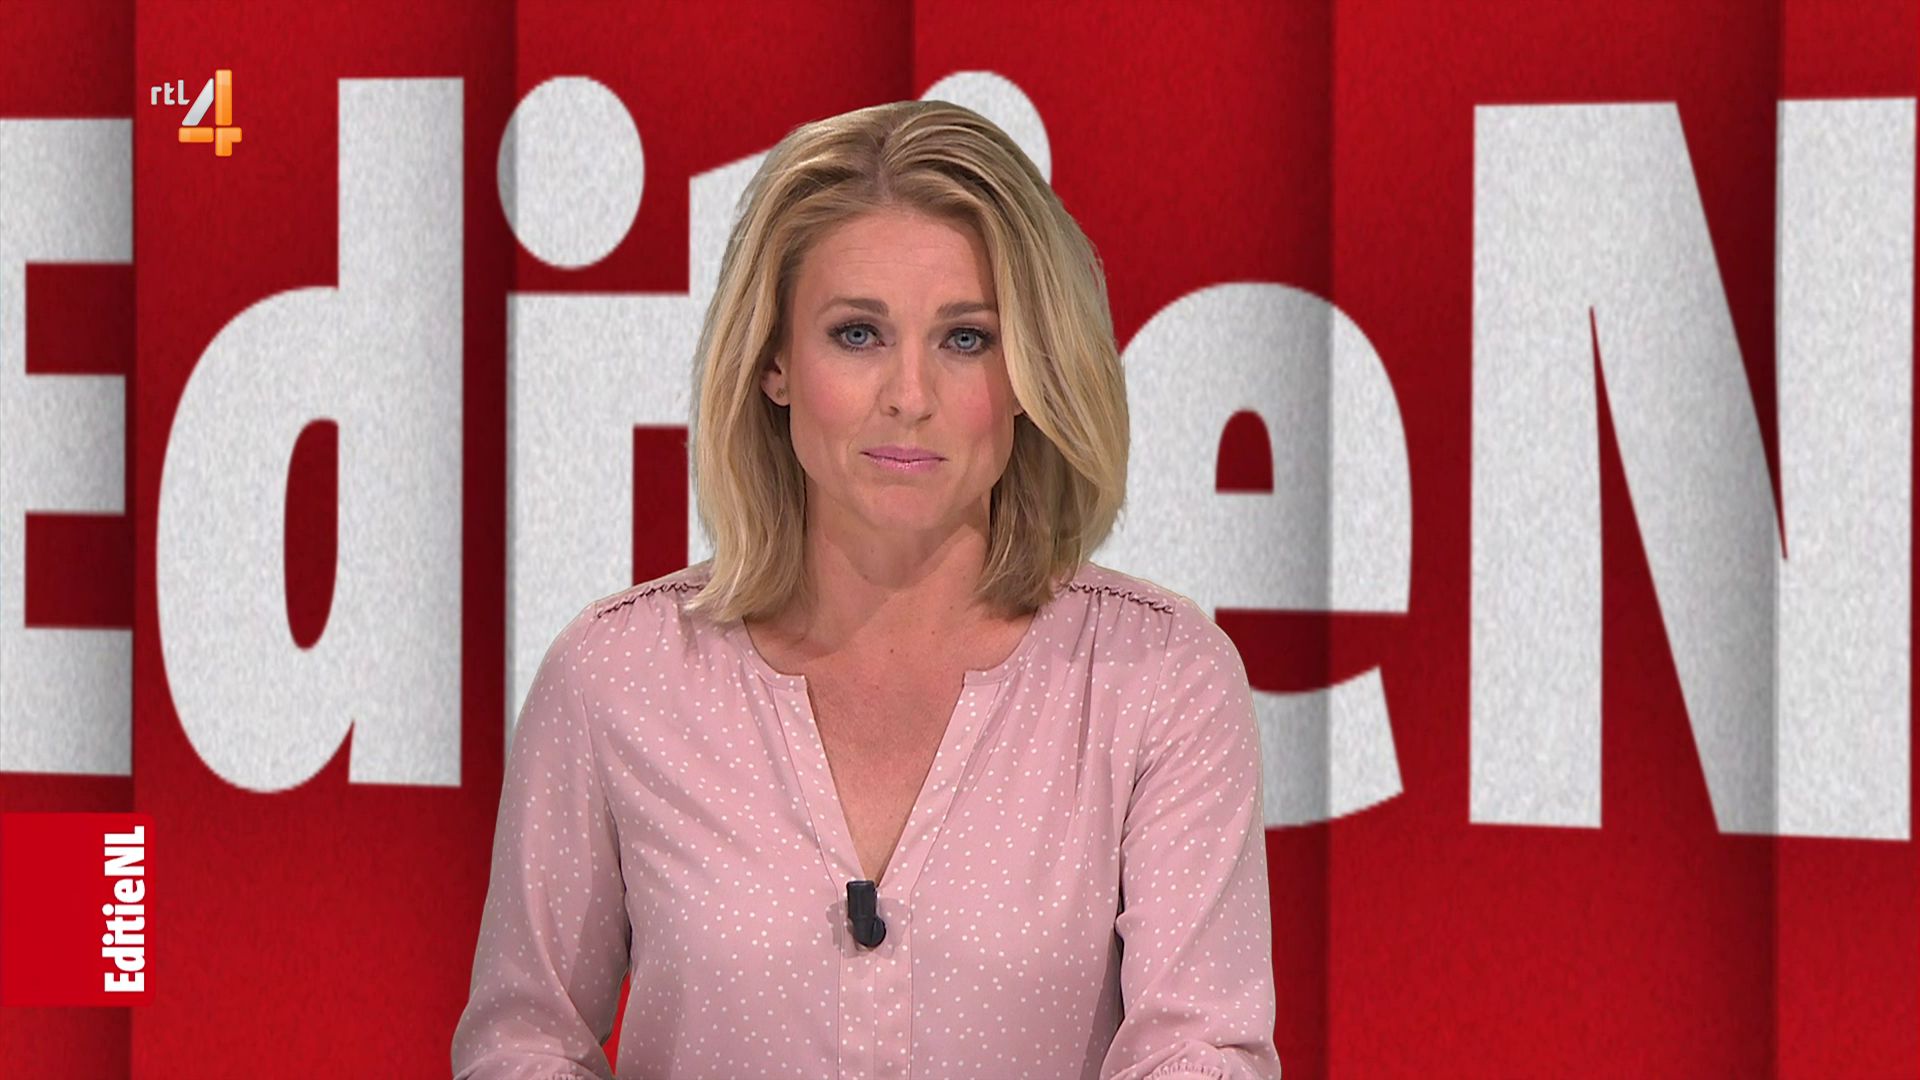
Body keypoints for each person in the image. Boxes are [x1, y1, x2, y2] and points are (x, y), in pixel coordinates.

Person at [452, 98, 1281, 1080]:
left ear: (1031, 372)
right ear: (773, 362)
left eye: (965, 339)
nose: (910, 396)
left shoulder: (1159, 679)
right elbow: (523, 1045)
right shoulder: (616, 679)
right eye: (857, 334)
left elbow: (1198, 1055)